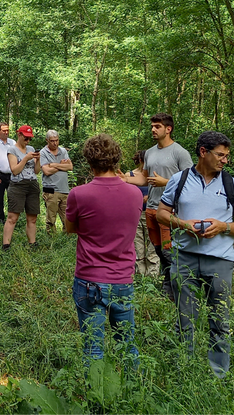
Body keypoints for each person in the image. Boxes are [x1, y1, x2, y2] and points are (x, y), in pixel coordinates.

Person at [156, 131, 234, 378]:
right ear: (203, 152)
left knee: (220, 318)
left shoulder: (233, 185)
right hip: (184, 257)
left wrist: (223, 226)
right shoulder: (179, 180)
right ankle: (183, 369)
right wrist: (184, 224)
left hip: (220, 261)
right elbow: (161, 214)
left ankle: (218, 374)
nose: (225, 160)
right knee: (184, 316)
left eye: (227, 156)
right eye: (220, 155)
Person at [65, 134, 143, 368]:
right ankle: (132, 397)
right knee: (127, 345)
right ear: (117, 161)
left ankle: (96, 401)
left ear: (89, 162)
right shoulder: (135, 194)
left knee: (93, 348)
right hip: (123, 279)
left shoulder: (79, 194)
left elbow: (70, 229)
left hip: (89, 280)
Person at [120, 113, 194, 301]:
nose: (153, 129)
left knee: (170, 251)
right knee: (159, 250)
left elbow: (192, 182)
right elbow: (144, 178)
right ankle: (167, 287)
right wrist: (126, 179)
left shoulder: (180, 153)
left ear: (168, 129)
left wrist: (166, 183)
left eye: (157, 126)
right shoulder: (150, 152)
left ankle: (176, 291)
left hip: (171, 210)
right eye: (152, 126)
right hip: (151, 208)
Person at [2, 125, 41, 249]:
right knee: (13, 217)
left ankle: (32, 243)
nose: (28, 141)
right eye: (26, 138)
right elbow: (14, 170)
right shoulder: (12, 150)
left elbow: (37, 171)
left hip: (32, 184)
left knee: (32, 216)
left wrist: (38, 160)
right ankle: (6, 245)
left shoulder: (31, 148)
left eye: (30, 139)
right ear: (19, 135)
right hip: (18, 185)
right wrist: (26, 158)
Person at [129, 151, 157, 277]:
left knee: (153, 245)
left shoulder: (156, 176)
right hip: (134, 214)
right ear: (141, 161)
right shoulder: (129, 176)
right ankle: (139, 275)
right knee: (137, 245)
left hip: (152, 213)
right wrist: (140, 199)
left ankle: (153, 276)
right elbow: (125, 196)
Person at [40, 130, 73, 234]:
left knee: (67, 217)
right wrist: (61, 165)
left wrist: (54, 164)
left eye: (57, 140)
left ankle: (66, 239)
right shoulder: (43, 153)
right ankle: (51, 239)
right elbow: (46, 171)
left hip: (64, 189)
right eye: (52, 141)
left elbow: (70, 167)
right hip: (50, 190)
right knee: (51, 217)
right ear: (47, 140)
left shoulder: (63, 151)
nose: (55, 143)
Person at [0, 122, 16, 223]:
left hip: (12, 175)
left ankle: (12, 218)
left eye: (7, 130)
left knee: (13, 198)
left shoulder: (13, 143)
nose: (6, 132)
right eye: (4, 130)